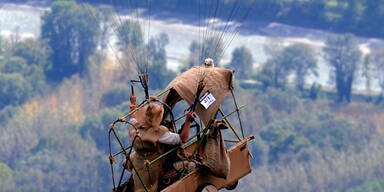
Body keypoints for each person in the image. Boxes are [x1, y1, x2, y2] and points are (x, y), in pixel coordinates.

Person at [126, 94, 195, 192]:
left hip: (139, 165)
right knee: (191, 166)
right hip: (152, 170)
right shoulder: (158, 133)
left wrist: (132, 103)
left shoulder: (134, 127)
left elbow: (132, 117)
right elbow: (182, 138)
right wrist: (188, 121)